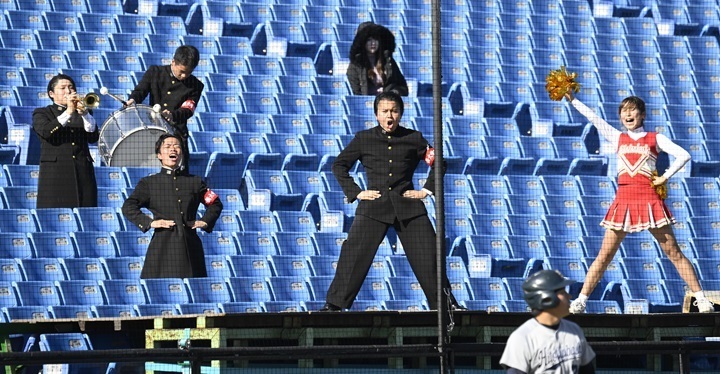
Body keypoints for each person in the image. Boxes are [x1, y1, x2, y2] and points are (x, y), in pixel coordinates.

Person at [564, 91, 714, 313]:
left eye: (632, 110)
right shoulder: (617, 137)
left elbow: (684, 155)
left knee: (673, 251)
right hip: (623, 200)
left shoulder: (655, 138)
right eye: (624, 111)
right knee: (605, 255)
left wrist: (664, 176)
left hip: (649, 198)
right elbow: (594, 118)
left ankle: (701, 299)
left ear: (642, 115)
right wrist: (573, 99)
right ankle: (581, 300)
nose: (627, 114)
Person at [320, 91, 462, 311]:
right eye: (385, 111)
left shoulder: (414, 138)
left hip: (409, 208)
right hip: (373, 207)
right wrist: (356, 192)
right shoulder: (363, 138)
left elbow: (438, 162)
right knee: (353, 254)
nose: (390, 116)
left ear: (401, 114)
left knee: (429, 256)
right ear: (376, 114)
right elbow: (339, 165)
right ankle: (334, 305)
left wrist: (426, 191)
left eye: (394, 111)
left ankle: (447, 306)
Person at [121, 133, 223, 279]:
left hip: (190, 246)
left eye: (176, 146)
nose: (173, 149)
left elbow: (215, 204)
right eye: (167, 146)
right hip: (162, 248)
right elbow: (129, 206)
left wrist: (205, 221)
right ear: (159, 155)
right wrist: (150, 223)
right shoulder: (149, 183)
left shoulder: (195, 182)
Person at [500, 270, 596, 373]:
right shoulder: (522, 337)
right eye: (563, 293)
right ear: (547, 298)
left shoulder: (574, 330)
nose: (569, 297)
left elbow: (587, 370)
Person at [126, 45, 203, 173]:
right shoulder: (155, 72)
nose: (184, 76)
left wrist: (173, 115)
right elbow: (141, 90)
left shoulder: (196, 85)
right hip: (153, 132)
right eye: (181, 71)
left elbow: (188, 109)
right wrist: (133, 100)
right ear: (173, 62)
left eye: (188, 73)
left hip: (177, 133)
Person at [32, 74, 98, 209]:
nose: (68, 91)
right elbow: (46, 132)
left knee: (85, 210)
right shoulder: (42, 113)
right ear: (51, 94)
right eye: (62, 88)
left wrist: (85, 114)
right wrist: (68, 111)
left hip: (83, 172)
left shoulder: (83, 113)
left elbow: (93, 137)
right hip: (56, 173)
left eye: (70, 87)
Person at [347, 22, 408, 97]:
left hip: (387, 102)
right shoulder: (356, 64)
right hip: (367, 104)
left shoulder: (388, 60)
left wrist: (395, 92)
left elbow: (402, 86)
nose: (373, 43)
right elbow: (356, 94)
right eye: (369, 40)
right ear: (362, 43)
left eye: (376, 39)